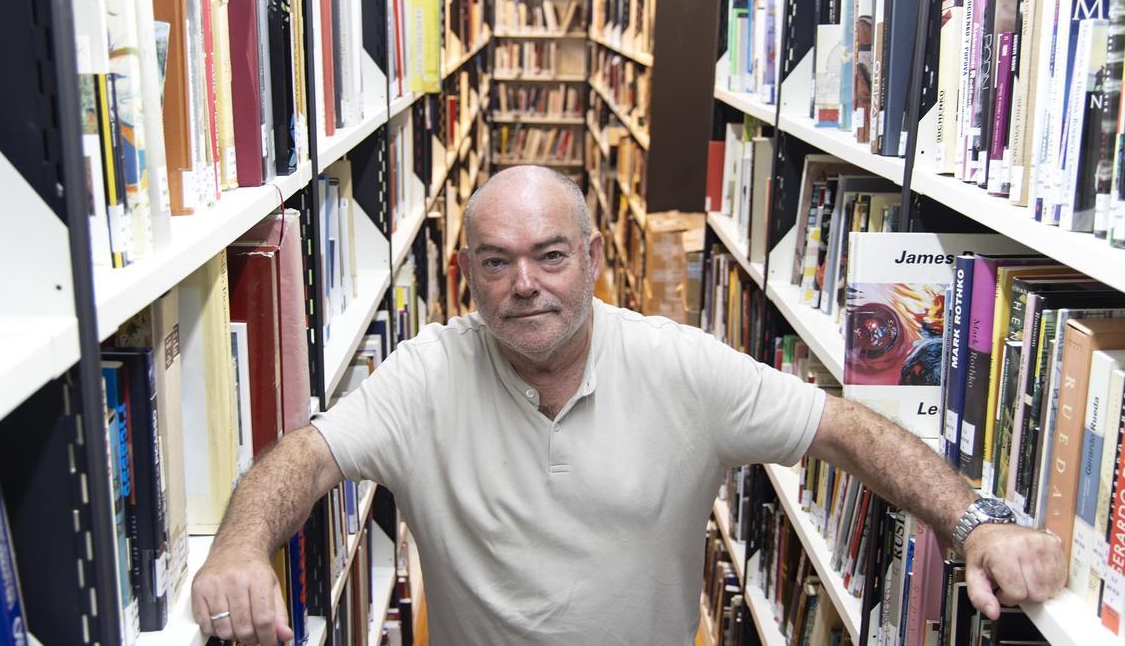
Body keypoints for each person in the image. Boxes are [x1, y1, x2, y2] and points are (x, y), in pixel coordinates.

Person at [191, 166, 1065, 645]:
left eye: (549, 254)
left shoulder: (677, 365)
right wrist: (236, 546)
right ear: (465, 276)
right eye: (495, 262)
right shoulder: (425, 374)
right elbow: (302, 456)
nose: (524, 284)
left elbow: (844, 427)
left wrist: (974, 520)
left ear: (596, 256)